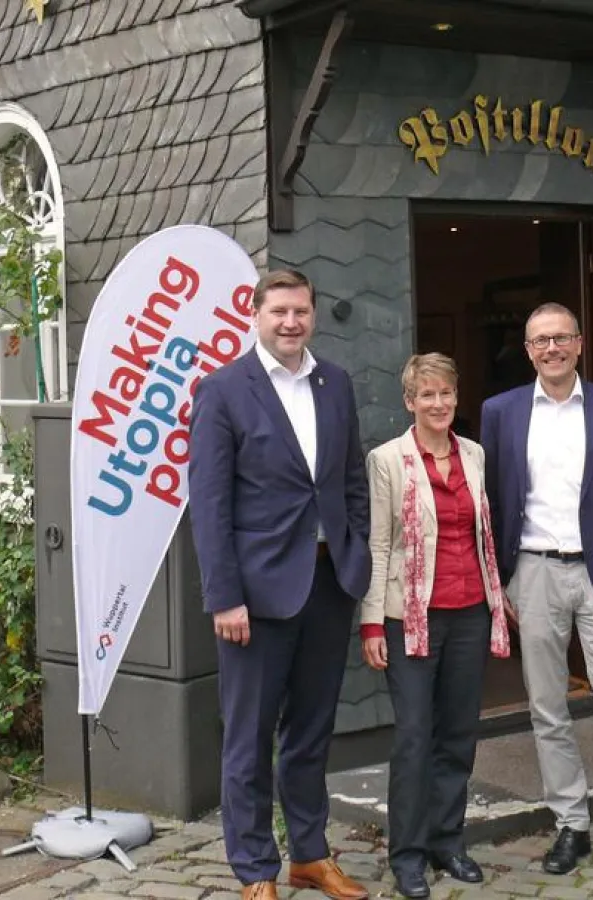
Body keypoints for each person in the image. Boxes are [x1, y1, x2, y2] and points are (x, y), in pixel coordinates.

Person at [188, 269, 372, 900]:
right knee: (249, 738)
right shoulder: (222, 390)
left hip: (327, 583)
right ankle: (255, 870)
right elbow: (210, 503)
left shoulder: (335, 382)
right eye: (279, 312)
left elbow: (350, 479)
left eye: (300, 311)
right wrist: (224, 596)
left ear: (312, 315)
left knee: (311, 731)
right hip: (256, 595)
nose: (291, 322)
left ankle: (310, 856)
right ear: (256, 315)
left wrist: (356, 552)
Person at [481, 302, 593, 895]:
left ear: (579, 343)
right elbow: (492, 505)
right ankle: (571, 824)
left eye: (561, 338)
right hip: (532, 574)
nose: (551, 348)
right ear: (528, 350)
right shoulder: (501, 412)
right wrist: (501, 582)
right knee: (548, 708)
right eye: (540, 341)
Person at [360, 353, 512, 899]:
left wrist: (497, 601)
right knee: (413, 737)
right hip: (410, 617)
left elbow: (481, 533)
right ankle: (407, 854)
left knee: (458, 734)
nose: (438, 403)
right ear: (409, 401)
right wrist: (371, 622)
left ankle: (448, 841)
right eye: (427, 394)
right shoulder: (387, 460)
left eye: (446, 393)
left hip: (470, 610)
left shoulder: (474, 454)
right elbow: (379, 543)